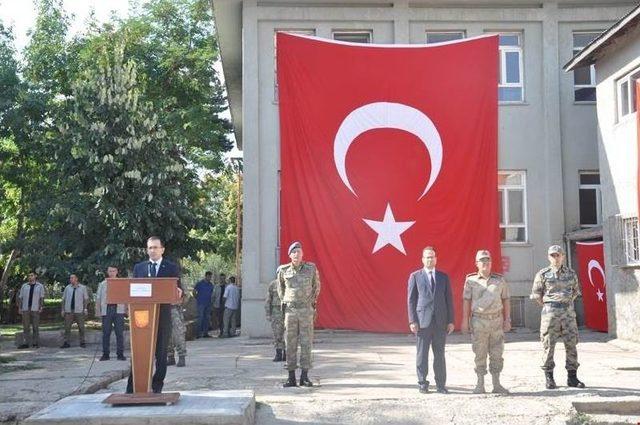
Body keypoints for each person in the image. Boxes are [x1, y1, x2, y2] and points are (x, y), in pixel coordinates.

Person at [125, 236, 182, 394]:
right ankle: (133, 388)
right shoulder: (139, 268)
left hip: (163, 316)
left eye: (156, 247)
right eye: (150, 247)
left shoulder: (171, 267)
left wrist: (179, 292)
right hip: (142, 318)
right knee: (139, 352)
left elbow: (178, 289)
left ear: (162, 249)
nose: (153, 250)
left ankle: (157, 388)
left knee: (161, 353)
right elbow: (132, 291)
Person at [531, 244, 585, 390]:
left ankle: (572, 378)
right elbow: (537, 295)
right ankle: (549, 378)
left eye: (558, 255)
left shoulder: (571, 274)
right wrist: (550, 305)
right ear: (549, 257)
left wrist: (564, 303)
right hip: (550, 313)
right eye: (553, 255)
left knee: (571, 344)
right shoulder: (543, 274)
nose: (555, 258)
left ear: (563, 256)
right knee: (548, 345)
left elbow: (575, 292)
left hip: (568, 313)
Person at [461, 250, 511, 394]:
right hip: (479, 321)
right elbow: (466, 300)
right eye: (482, 261)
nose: (485, 264)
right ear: (476, 264)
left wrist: (507, 319)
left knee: (497, 352)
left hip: (496, 320)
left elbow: (506, 299)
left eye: (487, 261)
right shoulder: (471, 280)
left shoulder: (499, 280)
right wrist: (464, 320)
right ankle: (480, 384)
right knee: (480, 352)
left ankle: (496, 384)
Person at [407, 246, 455, 394]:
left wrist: (451, 321)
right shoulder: (415, 276)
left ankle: (441, 385)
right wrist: (412, 321)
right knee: (422, 354)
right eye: (427, 257)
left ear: (436, 259)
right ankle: (423, 383)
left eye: (432, 256)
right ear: (422, 259)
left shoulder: (443, 277)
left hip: (440, 322)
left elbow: (449, 300)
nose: (430, 259)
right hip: (422, 322)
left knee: (439, 354)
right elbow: (411, 300)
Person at [277, 241, 321, 387]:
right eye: (294, 252)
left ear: (302, 254)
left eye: (299, 252)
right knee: (290, 343)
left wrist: (309, 303)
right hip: (290, 311)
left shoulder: (311, 269)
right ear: (289, 255)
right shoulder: (283, 271)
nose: (297, 254)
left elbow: (316, 287)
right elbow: (280, 290)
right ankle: (291, 377)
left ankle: (304, 376)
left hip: (306, 311)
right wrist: (288, 301)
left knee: (306, 343)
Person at [95, 266, 126, 361]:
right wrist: (98, 311)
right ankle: (105, 354)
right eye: (110, 271)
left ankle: (120, 354)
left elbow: (126, 296)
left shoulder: (122, 283)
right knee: (106, 333)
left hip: (118, 310)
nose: (112, 273)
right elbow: (98, 298)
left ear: (117, 272)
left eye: (113, 271)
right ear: (107, 272)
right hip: (106, 309)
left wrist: (127, 309)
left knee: (119, 333)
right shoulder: (103, 284)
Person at [60, 274, 90, 348]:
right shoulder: (67, 288)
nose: (71, 279)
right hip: (69, 311)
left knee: (81, 327)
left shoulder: (83, 288)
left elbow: (86, 299)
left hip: (79, 310)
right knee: (67, 327)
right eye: (70, 278)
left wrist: (85, 308)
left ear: (76, 279)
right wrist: (63, 309)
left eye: (72, 278)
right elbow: (63, 299)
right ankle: (66, 342)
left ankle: (82, 342)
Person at [17, 272, 46, 349]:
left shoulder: (40, 286)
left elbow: (42, 297)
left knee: (35, 327)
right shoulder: (24, 286)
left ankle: (35, 343)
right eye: (29, 275)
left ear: (35, 276)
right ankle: (26, 343)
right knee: (26, 327)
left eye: (32, 275)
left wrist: (41, 307)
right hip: (25, 308)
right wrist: (20, 308)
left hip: (35, 308)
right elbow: (21, 298)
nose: (30, 277)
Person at [265, 278, 286, 362]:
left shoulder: (290, 283)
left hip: (287, 312)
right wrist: (268, 313)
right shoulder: (273, 284)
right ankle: (278, 353)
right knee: (277, 334)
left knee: (288, 334)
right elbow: (268, 300)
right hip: (276, 312)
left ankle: (286, 354)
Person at [167, 290, 187, 367]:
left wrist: (179, 302)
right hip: (163, 307)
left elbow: (185, 296)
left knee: (178, 333)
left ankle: (181, 356)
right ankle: (170, 356)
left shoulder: (177, 281)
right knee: (166, 334)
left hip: (174, 308)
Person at [193, 271, 214, 338]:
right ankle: (198, 334)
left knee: (207, 318)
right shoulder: (200, 283)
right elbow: (194, 291)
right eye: (209, 276)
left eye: (210, 277)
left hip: (208, 303)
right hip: (201, 303)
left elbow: (212, 293)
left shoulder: (211, 285)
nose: (209, 278)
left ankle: (205, 333)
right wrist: (196, 297)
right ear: (206, 276)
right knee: (200, 318)